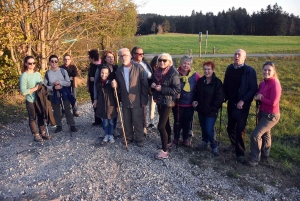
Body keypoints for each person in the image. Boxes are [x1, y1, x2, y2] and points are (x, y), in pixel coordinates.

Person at [223, 49, 258, 163]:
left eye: (239, 55)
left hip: (243, 105)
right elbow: (226, 84)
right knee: (230, 127)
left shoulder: (249, 71)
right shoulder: (229, 68)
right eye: (235, 54)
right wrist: (223, 97)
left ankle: (240, 153)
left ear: (244, 58)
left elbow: (253, 88)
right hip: (231, 103)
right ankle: (233, 144)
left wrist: (243, 100)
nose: (236, 56)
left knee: (240, 128)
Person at [111, 48, 148, 147]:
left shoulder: (139, 67)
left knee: (137, 120)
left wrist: (144, 100)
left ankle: (139, 139)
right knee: (126, 120)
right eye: (121, 56)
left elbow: (144, 85)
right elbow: (118, 86)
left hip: (137, 99)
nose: (123, 58)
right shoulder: (119, 70)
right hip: (125, 100)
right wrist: (115, 85)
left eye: (125, 55)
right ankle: (129, 137)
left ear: (130, 56)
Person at [248, 62, 281, 166]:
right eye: (265, 70)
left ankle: (255, 158)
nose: (266, 72)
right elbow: (258, 93)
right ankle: (265, 154)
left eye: (269, 70)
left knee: (256, 135)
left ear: (273, 72)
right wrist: (257, 95)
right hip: (262, 112)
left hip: (271, 115)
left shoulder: (275, 84)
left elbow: (273, 102)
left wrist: (261, 98)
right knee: (266, 133)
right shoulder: (263, 83)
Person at [151, 53, 180, 159]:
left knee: (161, 126)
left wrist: (161, 89)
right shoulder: (157, 72)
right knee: (166, 123)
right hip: (159, 101)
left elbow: (177, 90)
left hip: (168, 102)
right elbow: (154, 85)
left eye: (164, 60)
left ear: (169, 62)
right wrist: (154, 88)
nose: (161, 62)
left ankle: (164, 151)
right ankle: (167, 142)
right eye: (160, 60)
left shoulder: (173, 73)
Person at [193, 61, 224, 156]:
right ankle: (204, 141)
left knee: (209, 129)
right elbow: (196, 94)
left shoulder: (217, 82)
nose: (206, 71)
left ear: (213, 70)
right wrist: (195, 101)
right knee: (203, 127)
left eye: (208, 69)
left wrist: (213, 108)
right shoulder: (201, 81)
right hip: (201, 109)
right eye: (205, 69)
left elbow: (219, 98)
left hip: (211, 111)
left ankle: (214, 145)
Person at [44, 55, 78, 133]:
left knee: (67, 109)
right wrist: (53, 88)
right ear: (49, 62)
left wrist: (60, 83)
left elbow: (68, 83)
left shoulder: (63, 71)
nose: (54, 63)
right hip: (53, 94)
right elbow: (45, 86)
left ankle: (72, 125)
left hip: (64, 93)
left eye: (56, 61)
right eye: (52, 61)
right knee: (56, 111)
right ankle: (59, 125)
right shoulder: (47, 73)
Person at [20, 56, 50, 142]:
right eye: (30, 63)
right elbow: (23, 91)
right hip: (30, 100)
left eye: (33, 63)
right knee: (32, 117)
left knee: (41, 115)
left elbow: (42, 83)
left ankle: (42, 132)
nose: (32, 65)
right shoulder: (24, 76)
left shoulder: (37, 74)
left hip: (39, 99)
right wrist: (35, 89)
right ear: (26, 64)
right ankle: (35, 134)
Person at [172, 55, 201, 147]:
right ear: (181, 63)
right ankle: (176, 137)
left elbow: (200, 88)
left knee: (187, 122)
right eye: (184, 63)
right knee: (177, 121)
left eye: (188, 64)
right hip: (178, 103)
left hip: (190, 104)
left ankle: (185, 138)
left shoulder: (195, 75)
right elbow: (170, 85)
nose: (186, 65)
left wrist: (196, 99)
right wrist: (175, 94)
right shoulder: (175, 73)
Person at [93, 50, 120, 137]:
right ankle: (105, 130)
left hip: (114, 93)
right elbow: (96, 83)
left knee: (114, 111)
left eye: (112, 57)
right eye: (108, 57)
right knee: (104, 111)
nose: (111, 59)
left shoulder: (116, 68)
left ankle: (114, 128)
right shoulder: (100, 68)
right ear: (105, 58)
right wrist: (95, 98)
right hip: (103, 94)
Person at [131, 46, 153, 135]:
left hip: (144, 90)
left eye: (142, 54)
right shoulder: (129, 64)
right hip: (133, 91)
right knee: (132, 109)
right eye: (139, 54)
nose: (141, 56)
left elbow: (150, 75)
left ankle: (143, 127)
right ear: (133, 54)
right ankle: (132, 127)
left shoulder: (145, 63)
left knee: (143, 109)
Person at [87, 49, 103, 131]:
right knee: (94, 103)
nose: (89, 58)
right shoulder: (91, 65)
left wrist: (95, 79)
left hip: (97, 88)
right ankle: (97, 120)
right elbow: (88, 76)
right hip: (91, 87)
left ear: (93, 58)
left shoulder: (99, 66)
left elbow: (103, 76)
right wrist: (88, 85)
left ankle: (101, 120)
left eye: (89, 57)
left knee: (99, 103)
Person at [148, 55, 159, 128]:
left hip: (161, 92)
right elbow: (149, 81)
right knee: (151, 107)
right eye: (157, 62)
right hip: (152, 92)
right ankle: (151, 121)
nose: (158, 64)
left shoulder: (163, 70)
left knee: (160, 108)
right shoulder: (151, 70)